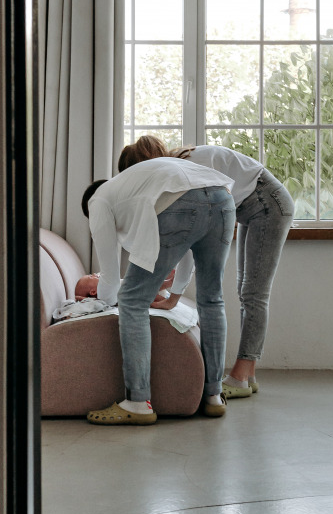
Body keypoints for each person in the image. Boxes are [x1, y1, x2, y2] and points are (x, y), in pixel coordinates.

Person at [118, 136, 295, 398]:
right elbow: (195, 239)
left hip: (268, 203)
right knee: (245, 289)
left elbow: (193, 236)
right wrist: (174, 295)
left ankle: (240, 377)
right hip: (251, 205)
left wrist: (175, 296)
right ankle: (248, 373)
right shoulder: (180, 168)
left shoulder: (187, 168)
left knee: (253, 293)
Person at [78, 155, 236, 425]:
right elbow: (187, 248)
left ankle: (138, 402)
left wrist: (109, 301)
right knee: (212, 299)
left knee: (131, 301)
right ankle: (213, 395)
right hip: (223, 198)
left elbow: (110, 275)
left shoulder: (99, 200)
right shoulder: (137, 185)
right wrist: (175, 295)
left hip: (182, 202)